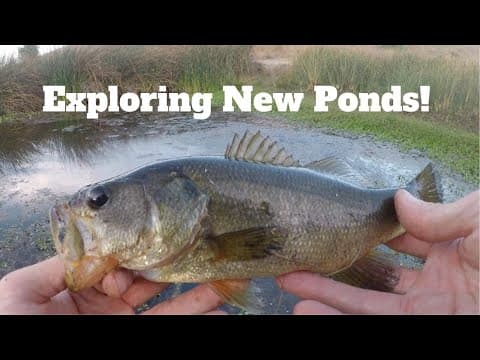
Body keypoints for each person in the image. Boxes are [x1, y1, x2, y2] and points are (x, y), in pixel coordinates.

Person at [0, 189, 478, 314]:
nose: (85, 210)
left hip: (355, 230)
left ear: (177, 199)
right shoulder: (182, 239)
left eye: (99, 202)